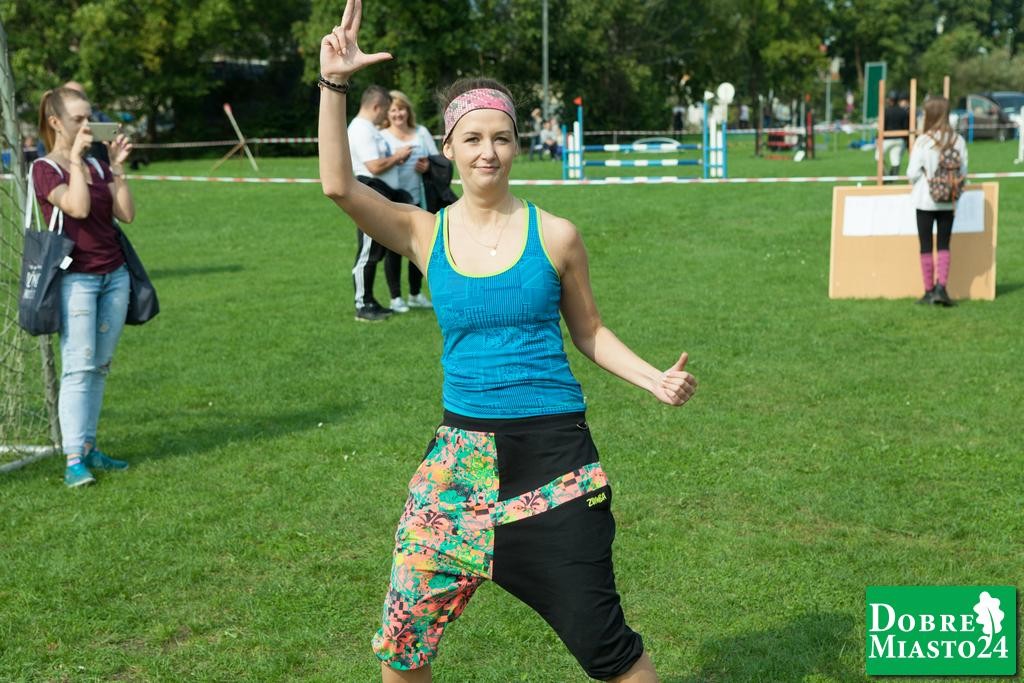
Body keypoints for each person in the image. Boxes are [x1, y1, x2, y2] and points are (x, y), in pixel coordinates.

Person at [316, 2, 698, 681]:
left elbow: (589, 330)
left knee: (608, 650)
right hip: (456, 468)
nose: (487, 151)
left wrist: (653, 379)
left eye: (501, 137)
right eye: (472, 138)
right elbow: (337, 185)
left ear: (517, 145)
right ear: (449, 148)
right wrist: (334, 84)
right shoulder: (423, 231)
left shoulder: (557, 235)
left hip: (554, 466)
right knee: (401, 647)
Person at [34, 86, 136, 487]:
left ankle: (90, 446)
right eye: (78, 119)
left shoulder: (96, 164)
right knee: (78, 366)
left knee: (99, 366)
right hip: (76, 279)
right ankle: (73, 459)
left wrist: (116, 167)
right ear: (56, 122)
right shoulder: (45, 168)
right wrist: (75, 160)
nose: (87, 125)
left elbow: (126, 213)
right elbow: (77, 208)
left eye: (90, 117)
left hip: (115, 275)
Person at [347, 84, 414, 322]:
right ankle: (362, 304)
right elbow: (374, 166)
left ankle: (370, 301)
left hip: (380, 192)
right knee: (368, 251)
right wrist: (398, 156)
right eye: (385, 110)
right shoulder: (361, 129)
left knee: (376, 251)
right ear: (376, 106)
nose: (386, 115)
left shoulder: (369, 129)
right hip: (369, 190)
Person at [380, 89, 437, 311]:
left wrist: (428, 166)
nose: (398, 114)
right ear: (387, 113)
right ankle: (395, 298)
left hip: (418, 200)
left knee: (419, 248)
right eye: (393, 110)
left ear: (408, 110)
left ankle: (415, 294)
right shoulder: (381, 135)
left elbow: (438, 161)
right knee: (393, 250)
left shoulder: (421, 132)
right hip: (391, 202)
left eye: (401, 109)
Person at [907, 96, 967, 307]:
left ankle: (928, 290)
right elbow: (963, 171)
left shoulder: (923, 141)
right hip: (949, 200)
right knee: (944, 244)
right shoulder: (958, 140)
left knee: (925, 245)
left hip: (925, 199)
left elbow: (912, 172)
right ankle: (942, 287)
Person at [880, 91, 910, 179]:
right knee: (895, 160)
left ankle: (884, 175)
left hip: (887, 139)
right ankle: (892, 178)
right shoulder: (903, 112)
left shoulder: (886, 111)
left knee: (878, 157)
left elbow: (882, 126)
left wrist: (878, 138)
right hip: (900, 140)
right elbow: (906, 126)